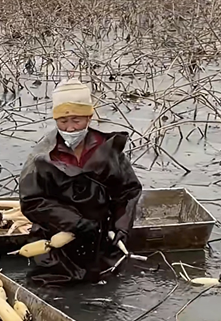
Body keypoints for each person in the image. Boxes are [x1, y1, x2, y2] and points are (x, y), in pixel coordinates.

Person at [19, 78, 142, 284]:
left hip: (102, 239)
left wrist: (122, 227)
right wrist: (75, 223)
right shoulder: (43, 157)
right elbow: (32, 202)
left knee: (106, 288)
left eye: (76, 120)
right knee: (55, 286)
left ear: (89, 117)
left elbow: (128, 191)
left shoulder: (108, 150)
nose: (70, 128)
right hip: (57, 241)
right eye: (63, 121)